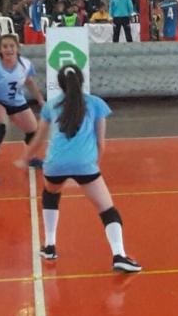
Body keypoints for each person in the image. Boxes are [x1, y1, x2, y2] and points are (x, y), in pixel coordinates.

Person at [18, 64, 141, 272]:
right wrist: (93, 167)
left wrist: (25, 158)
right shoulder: (96, 104)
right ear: (81, 81)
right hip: (85, 164)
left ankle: (49, 245)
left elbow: (39, 138)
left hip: (55, 164)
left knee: (51, 193)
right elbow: (102, 143)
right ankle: (119, 254)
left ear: (60, 84)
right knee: (107, 210)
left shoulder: (51, 106)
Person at [0, 34, 45, 186]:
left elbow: (29, 82)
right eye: (5, 47)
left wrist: (40, 99)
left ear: (17, 48)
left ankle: (30, 157)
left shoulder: (25, 64)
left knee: (33, 131)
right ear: (0, 50)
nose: (9, 49)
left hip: (17, 101)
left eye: (11, 46)